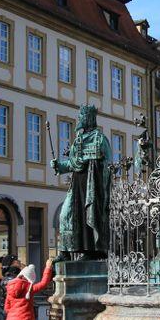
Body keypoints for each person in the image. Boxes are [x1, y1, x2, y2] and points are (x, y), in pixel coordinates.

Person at [52, 104, 112, 260]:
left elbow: (108, 164)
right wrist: (59, 165)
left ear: (88, 118)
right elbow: (73, 163)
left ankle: (90, 252)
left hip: (92, 185)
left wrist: (96, 167)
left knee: (88, 218)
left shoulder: (100, 139)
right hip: (77, 184)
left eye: (81, 117)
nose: (79, 119)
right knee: (66, 215)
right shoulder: (78, 140)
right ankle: (65, 252)